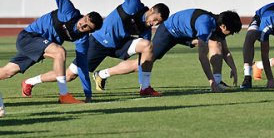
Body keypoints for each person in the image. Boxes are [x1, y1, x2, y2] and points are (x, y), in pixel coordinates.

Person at [24, 0, 169, 98]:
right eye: (156, 20)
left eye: (157, 23)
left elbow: (144, 54)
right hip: (98, 43)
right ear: (152, 10)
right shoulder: (133, 3)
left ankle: (143, 88)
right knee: (70, 75)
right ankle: (31, 81)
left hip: (119, 45)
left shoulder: (145, 29)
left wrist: (143, 72)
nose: (154, 24)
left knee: (147, 50)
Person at [0, 0, 103, 104]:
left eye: (88, 27)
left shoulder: (82, 39)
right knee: (59, 52)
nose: (83, 25)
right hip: (29, 38)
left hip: (41, 46)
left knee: (7, 72)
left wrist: (88, 95)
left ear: (91, 31)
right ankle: (64, 96)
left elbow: (82, 66)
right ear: (84, 15)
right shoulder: (68, 10)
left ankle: (55, 92)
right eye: (85, 20)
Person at [96, 8, 242, 92]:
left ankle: (219, 81)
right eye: (232, 31)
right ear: (223, 27)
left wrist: (234, 68)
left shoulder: (218, 25)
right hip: (169, 32)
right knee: (144, 62)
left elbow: (226, 51)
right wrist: (210, 82)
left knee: (217, 45)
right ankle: (102, 74)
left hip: (185, 33)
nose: (231, 34)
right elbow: (202, 57)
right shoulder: (205, 24)